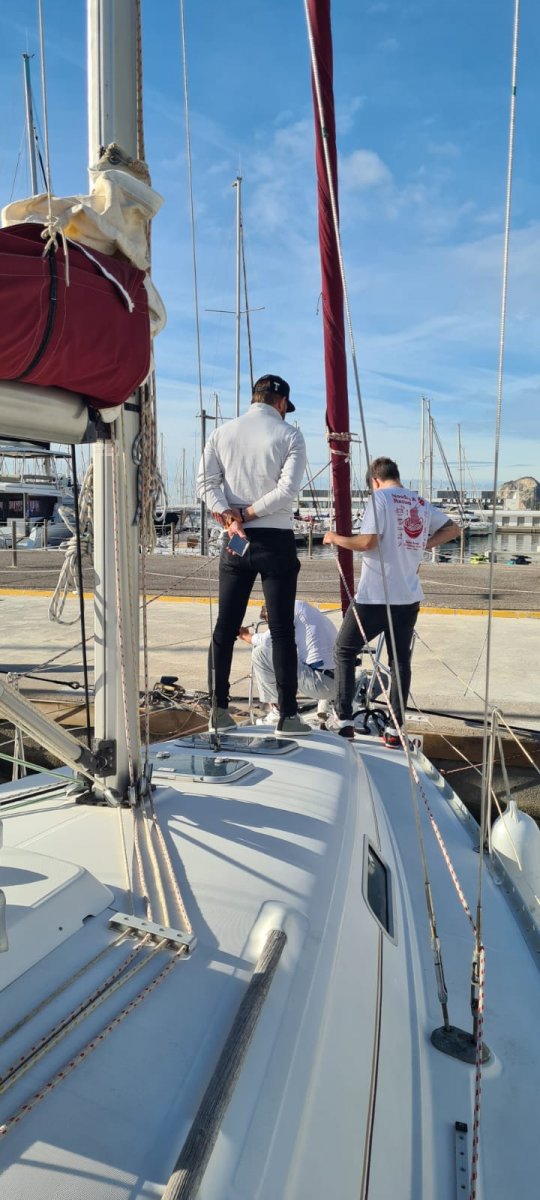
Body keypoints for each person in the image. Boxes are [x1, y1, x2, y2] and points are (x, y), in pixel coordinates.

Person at [197, 374, 309, 735]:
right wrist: (247, 513)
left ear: (254, 398)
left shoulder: (222, 433)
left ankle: (219, 709)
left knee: (225, 628)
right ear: (280, 404)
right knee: (280, 631)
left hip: (235, 540)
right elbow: (286, 490)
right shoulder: (290, 435)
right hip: (274, 538)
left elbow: (204, 483)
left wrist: (230, 515)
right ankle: (288, 716)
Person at [323, 456, 460, 745]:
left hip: (374, 596)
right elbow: (453, 529)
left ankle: (344, 720)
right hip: (408, 597)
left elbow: (367, 543)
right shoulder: (419, 504)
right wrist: (422, 544)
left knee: (344, 651)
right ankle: (395, 729)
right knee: (399, 663)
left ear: (375, 480)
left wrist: (335, 537)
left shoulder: (379, 500)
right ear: (396, 475)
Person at [238, 599, 337, 722]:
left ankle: (278, 711)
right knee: (290, 652)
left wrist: (244, 635)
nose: (271, 626)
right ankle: (327, 707)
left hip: (319, 684)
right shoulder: (307, 612)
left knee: (260, 653)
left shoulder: (286, 611)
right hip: (341, 684)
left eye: (270, 622)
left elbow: (266, 640)